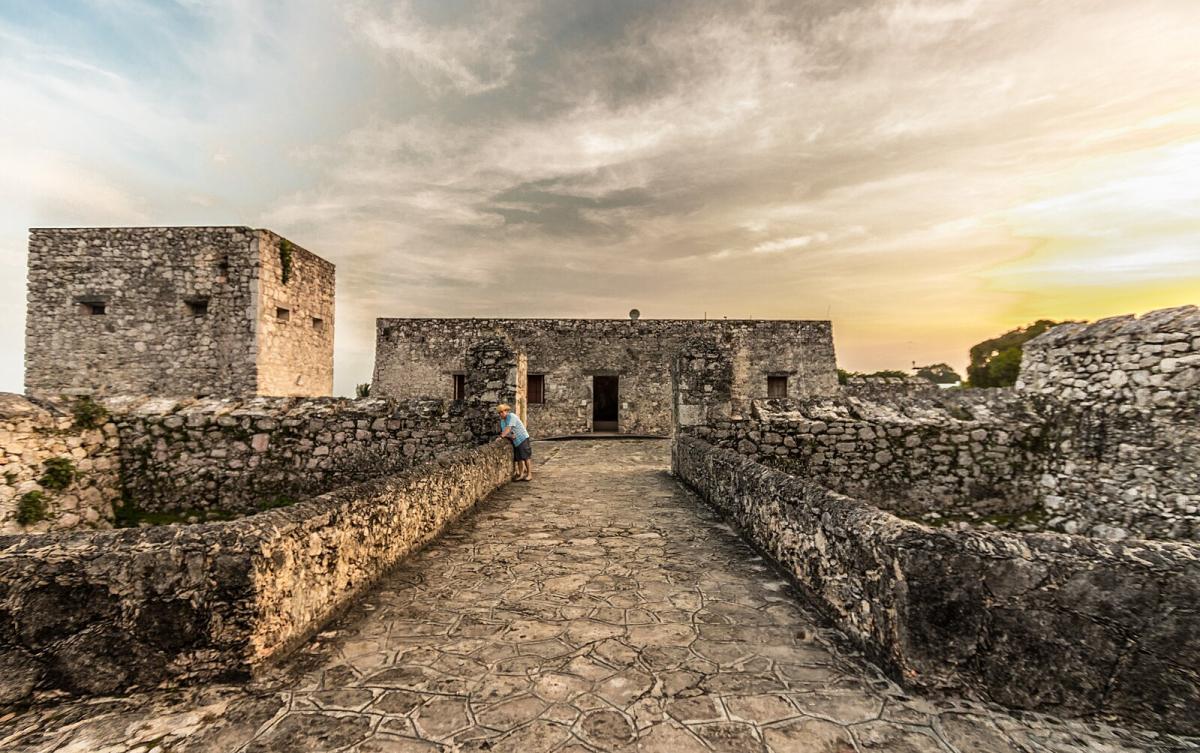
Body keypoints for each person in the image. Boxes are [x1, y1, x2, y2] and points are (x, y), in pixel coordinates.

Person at [497, 403, 533, 481]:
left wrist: (501, 437)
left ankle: (529, 474)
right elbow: (506, 432)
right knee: (519, 458)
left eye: (502, 412)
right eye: (500, 413)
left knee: (526, 457)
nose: (501, 414)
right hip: (515, 441)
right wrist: (509, 435)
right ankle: (521, 474)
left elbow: (508, 429)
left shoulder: (511, 416)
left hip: (522, 438)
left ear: (506, 411)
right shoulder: (502, 421)